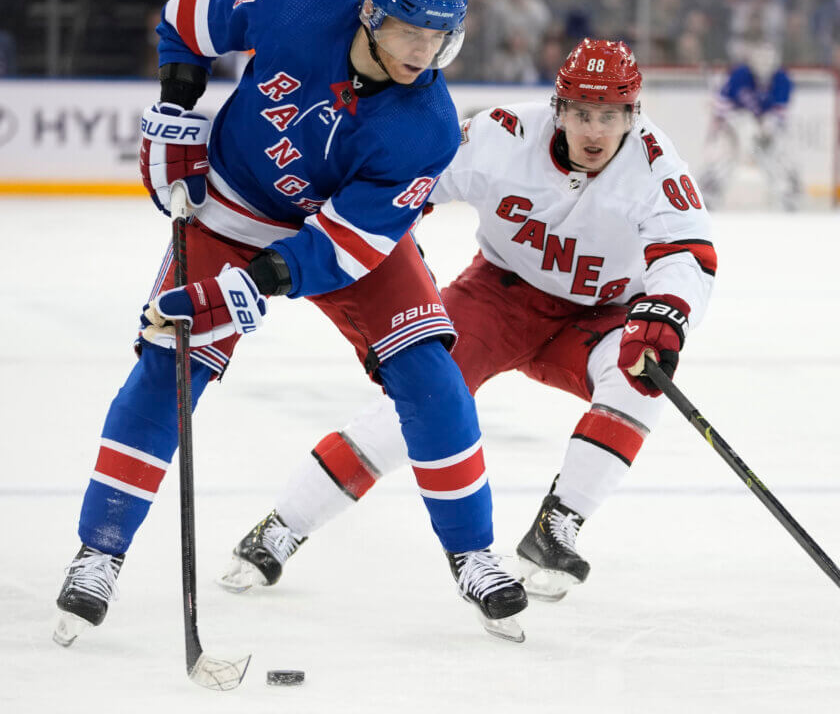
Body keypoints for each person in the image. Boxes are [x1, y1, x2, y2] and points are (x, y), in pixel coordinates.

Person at [53, 0, 528, 649]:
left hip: (339, 238)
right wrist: (178, 105)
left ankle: (473, 554)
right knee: (168, 366)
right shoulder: (294, 2)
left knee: (430, 373)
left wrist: (256, 285)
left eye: (439, 35)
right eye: (408, 29)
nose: (423, 51)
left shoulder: (427, 127)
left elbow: (347, 247)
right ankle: (100, 551)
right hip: (232, 206)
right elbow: (187, 15)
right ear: (370, 11)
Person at [219, 38, 716, 605]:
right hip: (496, 299)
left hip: (598, 318)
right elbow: (412, 184)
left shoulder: (655, 167)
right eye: (581, 113)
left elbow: (685, 254)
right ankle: (283, 525)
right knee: (417, 404)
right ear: (558, 108)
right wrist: (381, 243)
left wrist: (666, 315)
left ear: (634, 114)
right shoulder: (504, 135)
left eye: (609, 115)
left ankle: (557, 527)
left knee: (642, 376)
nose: (594, 131)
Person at [700, 41, 799, 210]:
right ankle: (706, 195)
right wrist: (733, 126)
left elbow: (780, 112)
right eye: (760, 60)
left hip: (766, 129)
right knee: (723, 158)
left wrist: (768, 125)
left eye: (768, 60)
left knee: (778, 157)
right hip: (734, 125)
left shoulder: (782, 79)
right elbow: (722, 105)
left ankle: (787, 194)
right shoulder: (740, 75)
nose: (763, 65)